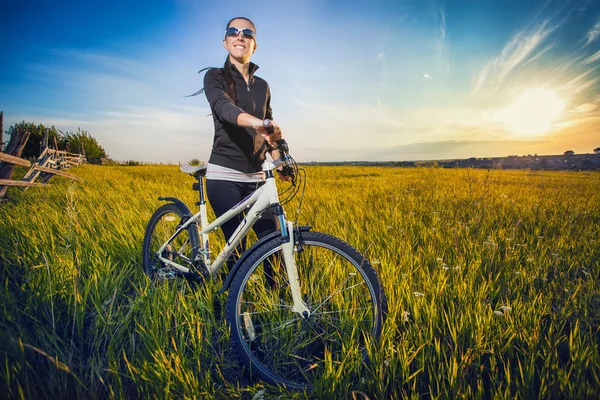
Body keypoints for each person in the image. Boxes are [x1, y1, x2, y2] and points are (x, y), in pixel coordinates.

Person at [201, 16, 286, 269]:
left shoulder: (263, 86)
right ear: (225, 42)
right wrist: (255, 122)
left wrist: (280, 161)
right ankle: (229, 305)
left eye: (247, 33)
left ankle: (277, 304)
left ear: (254, 45)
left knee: (273, 246)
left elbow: (268, 127)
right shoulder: (214, 77)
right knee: (237, 252)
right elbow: (223, 107)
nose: (240, 36)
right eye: (233, 32)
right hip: (224, 174)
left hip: (258, 177)